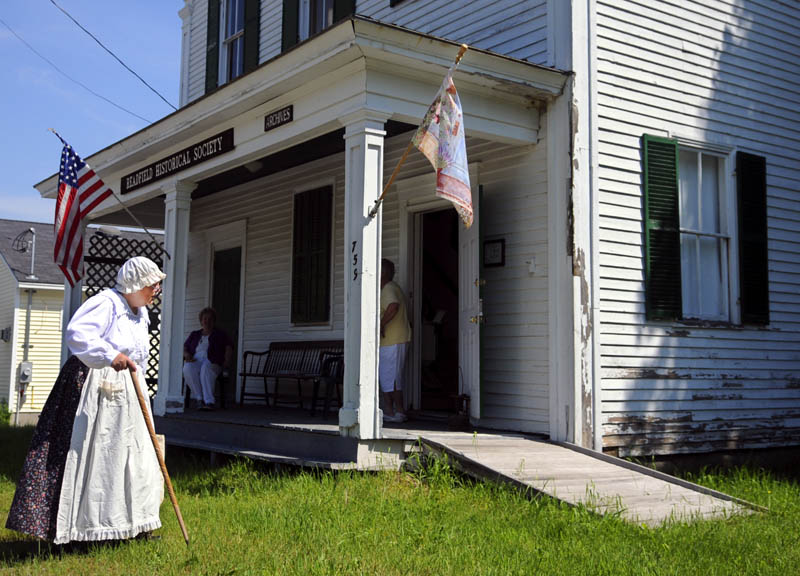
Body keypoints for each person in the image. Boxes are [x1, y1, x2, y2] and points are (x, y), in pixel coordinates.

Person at [6, 256, 166, 544]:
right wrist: (110, 355)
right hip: (95, 388)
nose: (157, 290)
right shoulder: (107, 303)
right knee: (97, 454)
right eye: (154, 284)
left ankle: (131, 525)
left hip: (129, 392)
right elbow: (77, 333)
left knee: (133, 457)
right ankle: (85, 531)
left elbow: (137, 355)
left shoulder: (140, 312)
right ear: (137, 283)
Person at [379, 258, 411, 423]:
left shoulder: (388, 288)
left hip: (393, 340)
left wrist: (381, 324)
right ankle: (392, 411)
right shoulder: (392, 287)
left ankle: (396, 412)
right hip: (392, 341)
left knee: (390, 377)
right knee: (389, 377)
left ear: (382, 273)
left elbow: (393, 306)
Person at [183, 307, 232, 410]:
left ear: (214, 321)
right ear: (201, 321)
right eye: (205, 319)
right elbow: (185, 347)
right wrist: (186, 355)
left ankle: (209, 402)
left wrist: (226, 362)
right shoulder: (194, 334)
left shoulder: (220, 334)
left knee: (206, 368)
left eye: (210, 319)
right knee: (187, 368)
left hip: (214, 361)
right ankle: (199, 399)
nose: (207, 321)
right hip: (196, 360)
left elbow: (228, 347)